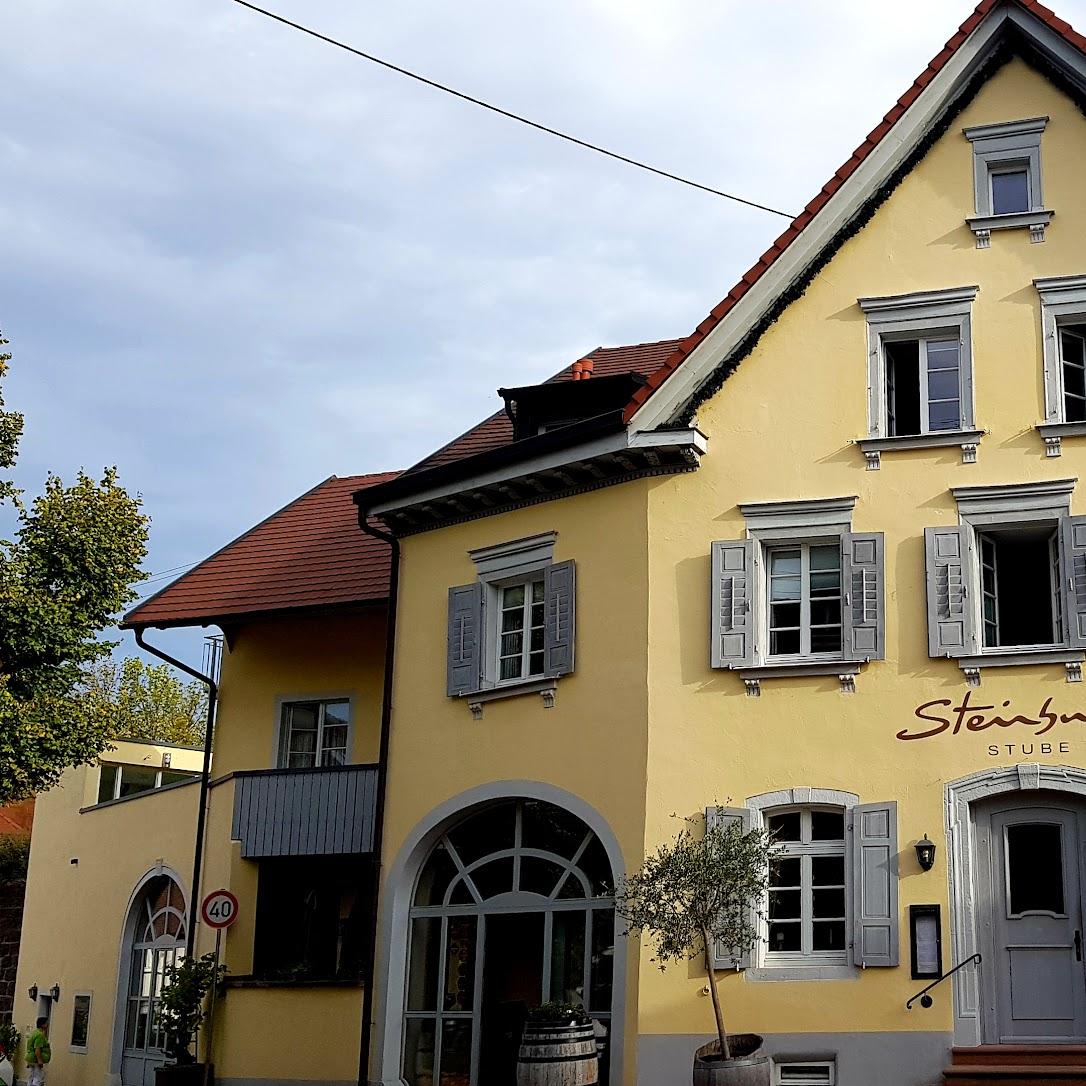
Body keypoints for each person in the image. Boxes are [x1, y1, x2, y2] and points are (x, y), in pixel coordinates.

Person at [24, 1018, 49, 1086]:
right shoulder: (40, 1035)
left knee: (31, 1077)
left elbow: (29, 1046)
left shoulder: (33, 1033)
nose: (48, 1024)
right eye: (46, 1023)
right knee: (38, 1078)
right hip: (35, 1059)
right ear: (42, 1025)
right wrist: (40, 1061)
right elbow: (37, 1050)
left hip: (30, 1058)